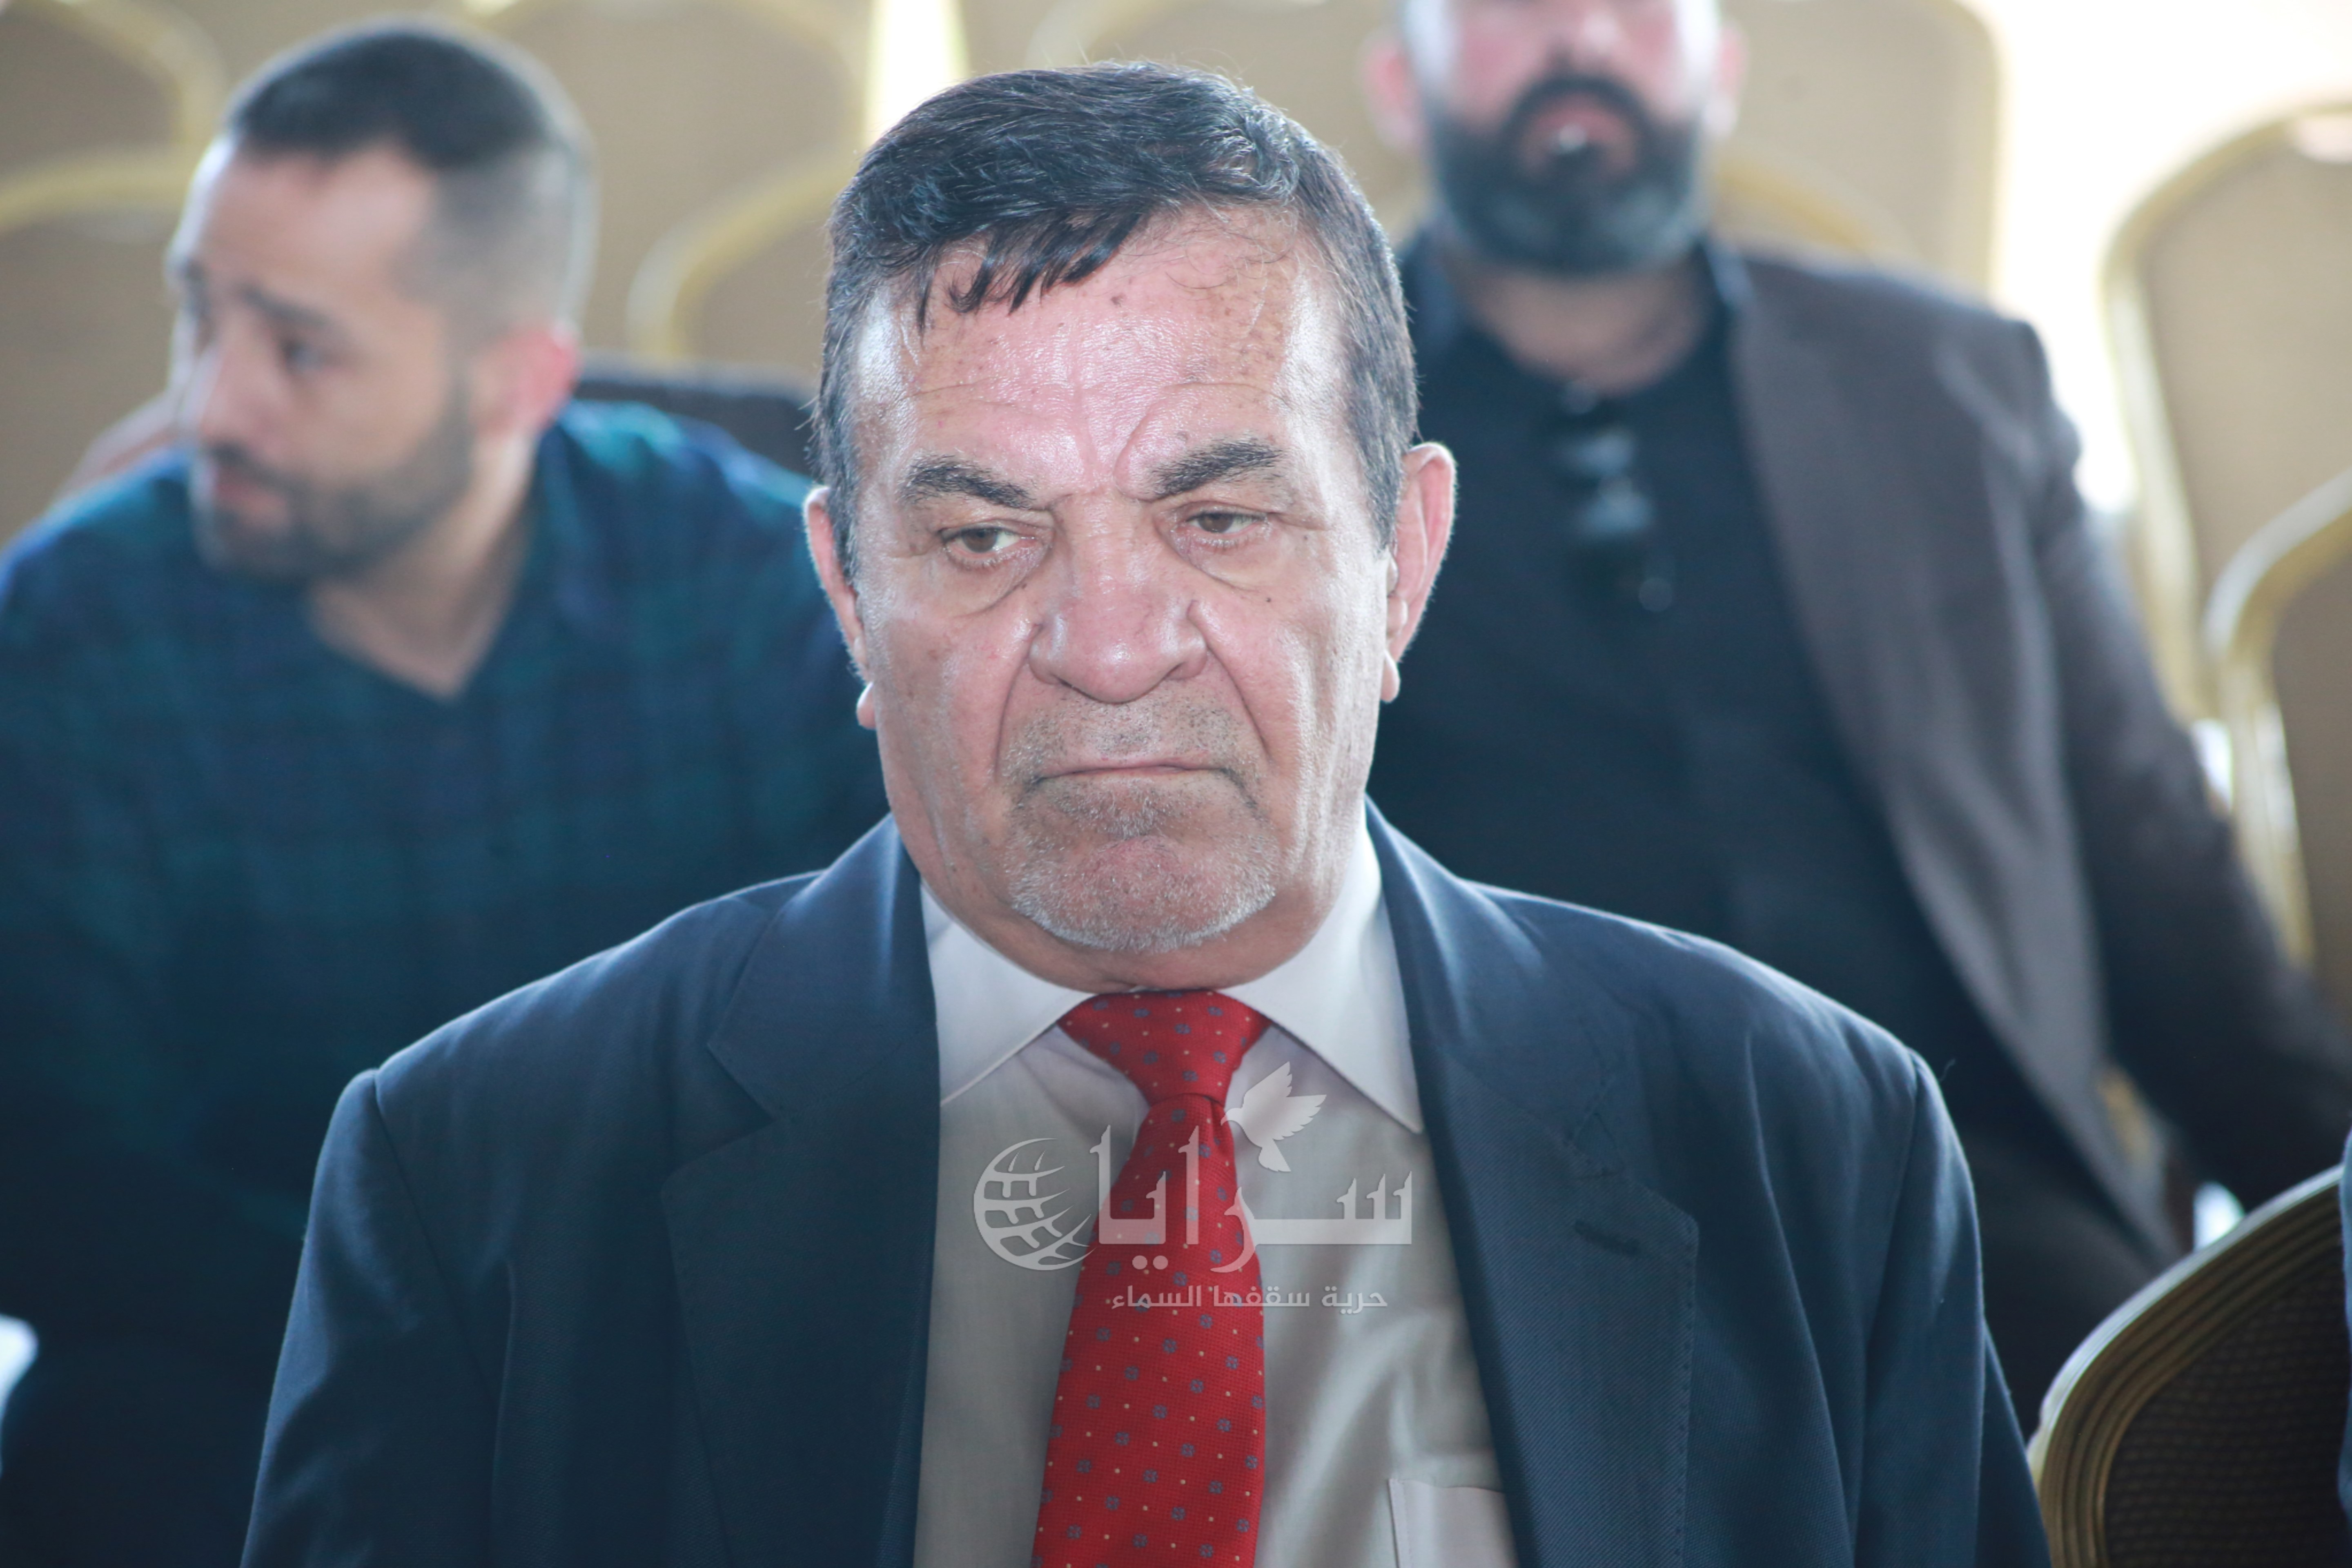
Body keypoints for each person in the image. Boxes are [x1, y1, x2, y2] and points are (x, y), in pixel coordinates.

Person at [243, 63, 2047, 1568]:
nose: (1110, 651)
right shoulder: (478, 1170)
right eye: (983, 536)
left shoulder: (1809, 1135)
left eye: (1219, 520)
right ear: (850, 595)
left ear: (1406, 560)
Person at [1358, 0, 2352, 1413]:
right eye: (1512, 7)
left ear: (1722, 71)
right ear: (1400, 86)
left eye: (1637, 4)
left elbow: (2152, 863)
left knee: (2152, 1443)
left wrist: (2324, 1221)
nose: (1581, 36)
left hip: (1960, 1188)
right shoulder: (1300, 422)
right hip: (1493, 1208)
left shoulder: (1951, 388)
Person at [0, 23, 884, 1567]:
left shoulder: (754, 599)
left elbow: (891, 1062)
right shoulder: (80, 629)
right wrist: (440, 1326)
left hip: (695, 1350)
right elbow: (53, 1173)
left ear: (515, 382)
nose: (210, 406)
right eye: (198, 315)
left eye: (300, 350)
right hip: (233, 1367)